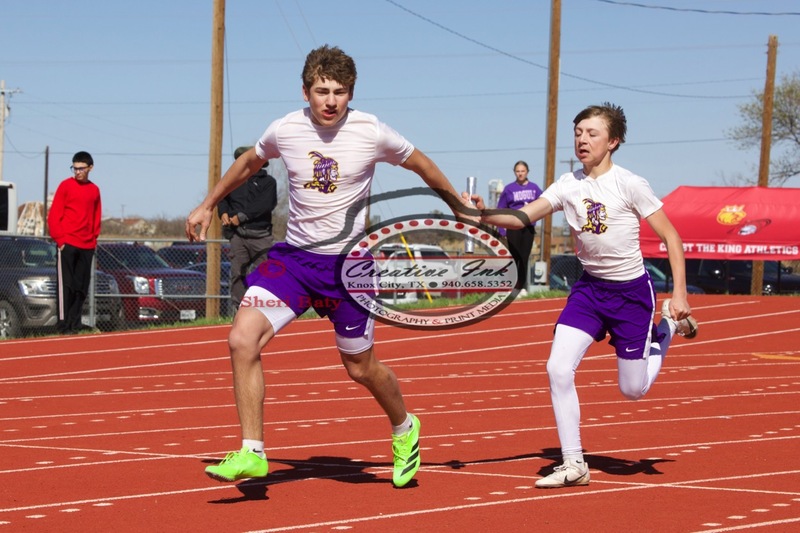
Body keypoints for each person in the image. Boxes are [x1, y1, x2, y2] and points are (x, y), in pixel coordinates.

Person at [186, 45, 467, 488]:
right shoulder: (286, 129)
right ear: (306, 91)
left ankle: (404, 426)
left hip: (350, 266)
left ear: (351, 93)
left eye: (339, 92)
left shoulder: (372, 131)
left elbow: (422, 164)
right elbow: (247, 163)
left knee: (359, 368)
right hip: (295, 262)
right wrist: (207, 204)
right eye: (322, 91)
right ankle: (252, 451)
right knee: (241, 339)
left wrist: (457, 206)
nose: (331, 100)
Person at [471, 103, 698, 488]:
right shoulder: (567, 184)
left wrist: (679, 294)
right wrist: (482, 213)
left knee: (632, 389)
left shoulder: (630, 184)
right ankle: (574, 463)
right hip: (590, 290)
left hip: (631, 295)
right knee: (557, 368)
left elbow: (671, 238)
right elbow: (522, 218)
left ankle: (667, 329)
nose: (582, 140)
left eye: (591, 133)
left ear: (613, 141)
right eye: (578, 133)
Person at [47, 151, 102, 334]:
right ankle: (63, 325)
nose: (77, 172)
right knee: (66, 286)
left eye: (81, 168)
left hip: (87, 245)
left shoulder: (94, 190)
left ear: (90, 168)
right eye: (75, 168)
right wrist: (61, 240)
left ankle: (75, 322)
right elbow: (54, 215)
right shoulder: (65, 186)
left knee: (81, 287)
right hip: (68, 243)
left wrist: (93, 239)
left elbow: (96, 216)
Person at [217, 146, 278, 310]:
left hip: (261, 236)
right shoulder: (232, 181)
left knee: (265, 273)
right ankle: (239, 308)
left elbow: (265, 205)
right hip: (238, 236)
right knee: (237, 273)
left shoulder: (268, 182)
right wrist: (222, 212)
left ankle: (263, 308)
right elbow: (222, 198)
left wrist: (241, 217)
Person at [496, 160, 542, 294]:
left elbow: (542, 204)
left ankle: (521, 286)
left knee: (524, 257)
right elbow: (501, 209)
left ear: (527, 172)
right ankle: (513, 286)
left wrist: (536, 218)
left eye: (522, 171)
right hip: (513, 226)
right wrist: (501, 229)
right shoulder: (509, 189)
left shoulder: (534, 188)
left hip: (528, 227)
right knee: (514, 256)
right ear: (514, 172)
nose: (520, 173)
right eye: (518, 171)